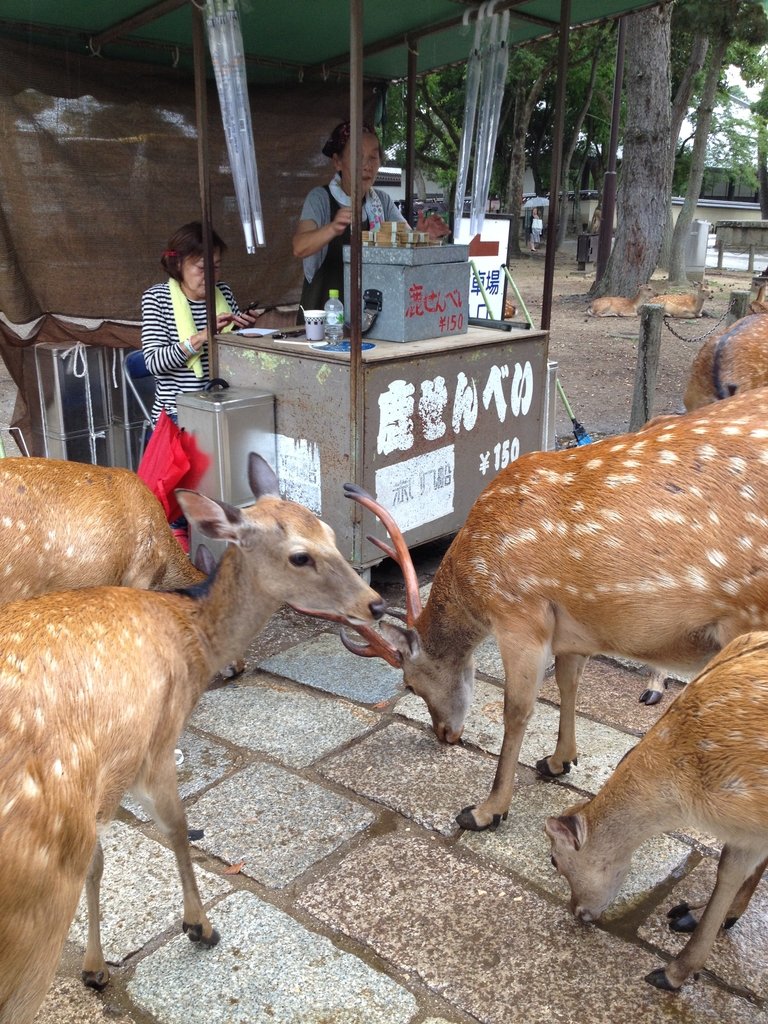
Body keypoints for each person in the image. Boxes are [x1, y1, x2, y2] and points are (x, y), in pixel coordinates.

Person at [292, 120, 450, 311]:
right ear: (338, 162)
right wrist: (332, 228)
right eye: (358, 157)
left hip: (371, 316)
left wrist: (424, 236)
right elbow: (299, 247)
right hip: (325, 317)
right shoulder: (320, 199)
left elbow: (407, 245)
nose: (366, 166)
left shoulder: (382, 202)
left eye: (373, 158)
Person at [141, 221, 257, 426]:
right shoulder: (157, 298)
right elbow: (154, 363)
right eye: (203, 268)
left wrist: (241, 329)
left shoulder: (223, 292)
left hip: (222, 402)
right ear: (178, 264)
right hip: (178, 413)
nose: (211, 276)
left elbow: (231, 352)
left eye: (217, 267)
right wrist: (202, 337)